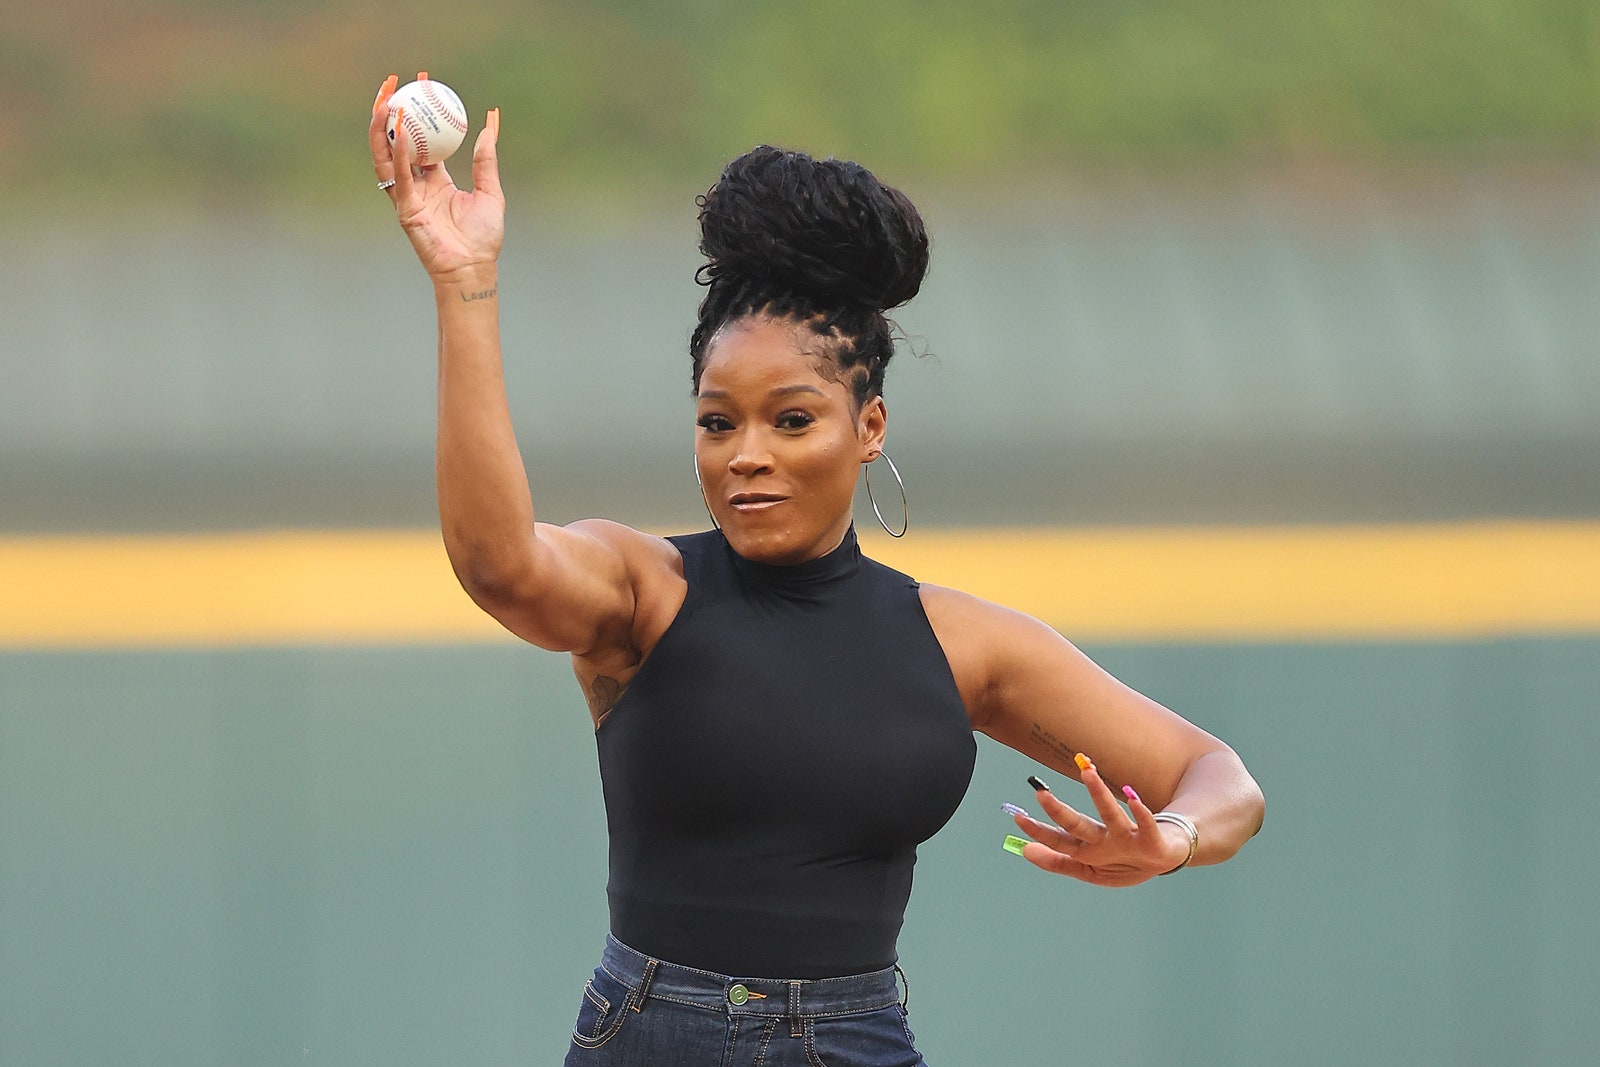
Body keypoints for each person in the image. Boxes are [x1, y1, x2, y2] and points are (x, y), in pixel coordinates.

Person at [367, 73, 1265, 1066]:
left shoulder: (961, 642)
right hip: (656, 1035)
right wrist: (464, 282)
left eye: (792, 419)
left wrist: (1172, 835)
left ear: (867, 424)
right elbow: (498, 562)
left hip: (855, 1038)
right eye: (717, 422)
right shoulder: (645, 593)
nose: (745, 452)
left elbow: (1218, 779)